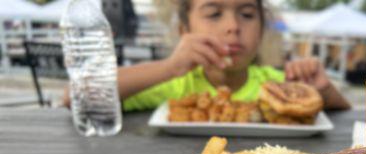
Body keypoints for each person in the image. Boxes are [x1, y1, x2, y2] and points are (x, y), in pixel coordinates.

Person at [91, 0, 350, 112]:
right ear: (184, 31)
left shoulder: (279, 85)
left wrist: (323, 90)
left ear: (261, 30)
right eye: (214, 13)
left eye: (247, 15)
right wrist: (169, 67)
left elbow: (342, 110)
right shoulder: (171, 84)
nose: (233, 27)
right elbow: (80, 95)